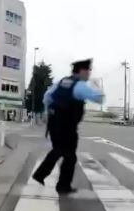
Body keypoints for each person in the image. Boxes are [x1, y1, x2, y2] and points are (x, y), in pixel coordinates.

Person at [32, 59, 104, 194]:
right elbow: (99, 98)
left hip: (54, 122)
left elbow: (47, 97)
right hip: (67, 125)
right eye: (88, 70)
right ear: (82, 71)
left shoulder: (62, 82)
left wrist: (49, 113)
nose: (89, 73)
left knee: (60, 150)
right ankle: (59, 184)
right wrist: (96, 85)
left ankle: (44, 176)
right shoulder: (80, 86)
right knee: (69, 156)